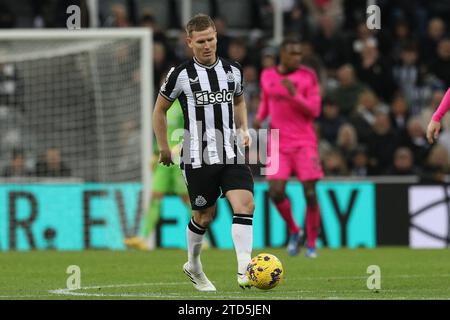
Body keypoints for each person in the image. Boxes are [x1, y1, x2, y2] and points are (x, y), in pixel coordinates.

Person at [152, 14, 254, 292]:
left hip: (231, 152)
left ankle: (245, 267)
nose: (207, 45)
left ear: (216, 38)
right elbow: (159, 110)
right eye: (201, 41)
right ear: (190, 42)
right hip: (197, 156)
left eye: (211, 39)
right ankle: (193, 265)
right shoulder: (180, 75)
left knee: (246, 205)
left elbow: (240, 99)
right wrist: (163, 147)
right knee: (204, 216)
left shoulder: (233, 70)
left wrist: (244, 128)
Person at [254, 38, 323, 258]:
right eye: (293, 54)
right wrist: (259, 117)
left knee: (310, 193)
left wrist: (295, 94)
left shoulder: (307, 76)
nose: (297, 58)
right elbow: (266, 100)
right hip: (277, 141)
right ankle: (295, 230)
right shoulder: (267, 75)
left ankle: (311, 244)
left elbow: (315, 110)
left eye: (299, 54)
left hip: (304, 142)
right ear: (282, 54)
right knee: (275, 192)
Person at [124, 99, 191, 250]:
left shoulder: (183, 105)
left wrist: (181, 147)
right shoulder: (161, 106)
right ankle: (143, 238)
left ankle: (202, 239)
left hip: (179, 158)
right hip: (164, 159)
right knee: (155, 196)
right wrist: (156, 153)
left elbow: (192, 129)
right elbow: (162, 132)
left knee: (187, 198)